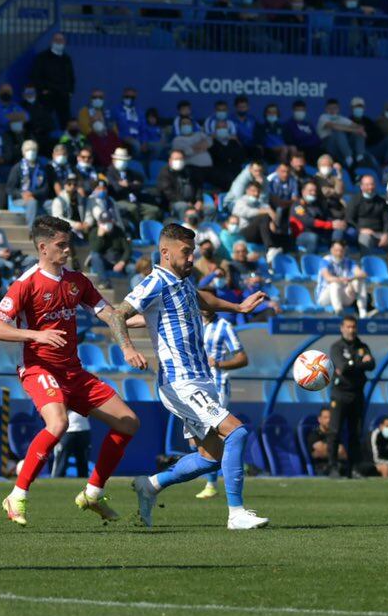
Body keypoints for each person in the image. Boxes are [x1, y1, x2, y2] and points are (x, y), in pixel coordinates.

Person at [112, 224, 270, 530]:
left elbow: (201, 299)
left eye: (192, 252)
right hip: (179, 380)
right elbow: (119, 313)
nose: (191, 258)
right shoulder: (155, 281)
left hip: (200, 378)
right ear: (165, 252)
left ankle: (150, 485)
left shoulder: (182, 281)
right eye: (186, 252)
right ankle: (236, 513)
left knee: (210, 457)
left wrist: (237, 306)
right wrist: (128, 349)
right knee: (236, 433)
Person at [0, 216, 141, 526]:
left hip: (73, 372)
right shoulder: (26, 283)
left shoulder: (77, 281)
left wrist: (127, 345)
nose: (67, 249)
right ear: (43, 248)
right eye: (61, 245)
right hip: (38, 368)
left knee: (128, 423)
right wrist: (36, 335)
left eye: (68, 243)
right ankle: (17, 494)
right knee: (58, 423)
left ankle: (93, 493)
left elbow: (110, 315)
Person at [195, 309, 248, 499]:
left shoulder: (225, 326)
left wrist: (218, 364)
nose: (203, 307)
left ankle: (214, 483)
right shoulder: (192, 322)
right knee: (197, 440)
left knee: (213, 434)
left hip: (217, 387)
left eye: (207, 303)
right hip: (195, 388)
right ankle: (222, 473)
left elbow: (243, 358)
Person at [327, 316, 374, 479]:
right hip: (340, 394)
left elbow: (372, 364)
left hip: (357, 394)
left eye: (353, 327)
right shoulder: (336, 347)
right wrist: (360, 362)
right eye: (348, 327)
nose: (351, 330)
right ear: (342, 328)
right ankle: (332, 467)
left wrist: (353, 363)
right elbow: (343, 367)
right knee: (335, 431)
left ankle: (354, 468)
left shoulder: (362, 346)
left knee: (355, 432)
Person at [316, 240, 371, 317]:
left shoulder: (349, 262)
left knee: (360, 281)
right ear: (331, 250)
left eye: (341, 251)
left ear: (345, 250)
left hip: (343, 295)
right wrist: (341, 280)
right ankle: (339, 311)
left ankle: (362, 311)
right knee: (335, 284)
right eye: (336, 250)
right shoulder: (325, 260)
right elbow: (328, 278)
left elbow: (363, 274)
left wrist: (351, 279)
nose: (338, 253)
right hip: (325, 297)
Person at [30, 33, 74, 129]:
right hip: (48, 96)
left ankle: (66, 143)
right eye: (56, 40)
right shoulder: (42, 57)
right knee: (44, 122)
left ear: (65, 42)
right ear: (51, 42)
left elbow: (71, 77)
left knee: (66, 122)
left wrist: (70, 91)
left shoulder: (67, 59)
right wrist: (42, 90)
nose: (59, 42)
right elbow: (36, 76)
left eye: (61, 40)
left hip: (63, 96)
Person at [87, 210, 133, 289]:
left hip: (118, 261)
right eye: (103, 222)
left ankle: (130, 291)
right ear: (99, 223)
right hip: (105, 262)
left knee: (132, 268)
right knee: (95, 256)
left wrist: (122, 262)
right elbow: (95, 249)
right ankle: (105, 282)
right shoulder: (94, 232)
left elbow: (127, 249)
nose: (107, 224)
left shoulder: (119, 231)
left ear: (112, 221)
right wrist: (100, 237)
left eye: (109, 221)